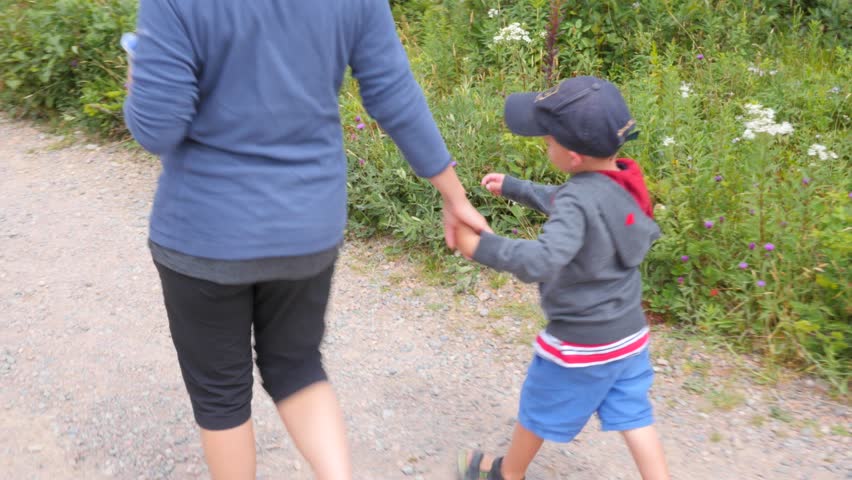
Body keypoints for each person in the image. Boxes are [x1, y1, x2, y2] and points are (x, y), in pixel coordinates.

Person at [122, 1, 487, 479]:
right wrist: (454, 195)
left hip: (205, 233)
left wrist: (137, 74)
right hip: (307, 227)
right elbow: (394, 92)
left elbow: (157, 129)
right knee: (296, 366)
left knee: (221, 396)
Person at [455, 76, 669, 480]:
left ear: (571, 156)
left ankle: (507, 474)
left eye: (547, 140)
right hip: (628, 336)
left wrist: (479, 247)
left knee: (537, 408)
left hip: (581, 342)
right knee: (634, 416)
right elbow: (574, 200)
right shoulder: (622, 181)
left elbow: (544, 258)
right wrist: (515, 187)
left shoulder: (578, 196)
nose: (544, 144)